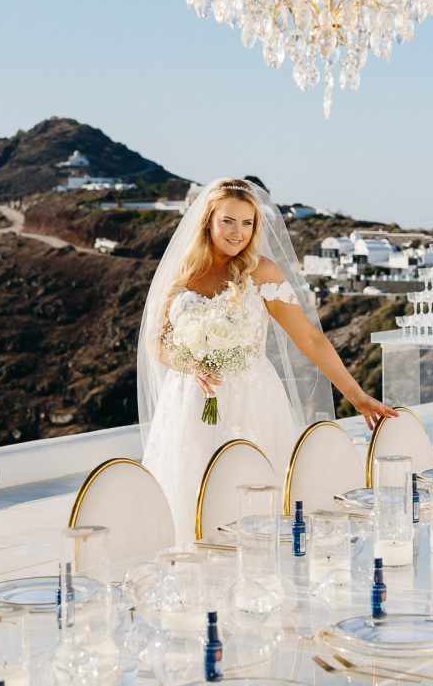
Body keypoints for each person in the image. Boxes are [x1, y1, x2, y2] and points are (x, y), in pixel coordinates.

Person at [138, 178, 396, 542]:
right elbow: (155, 344)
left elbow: (310, 338)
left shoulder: (261, 272)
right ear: (208, 220)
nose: (237, 233)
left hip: (251, 401)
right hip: (189, 402)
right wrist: (190, 366)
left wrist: (357, 395)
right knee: (189, 500)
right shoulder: (182, 272)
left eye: (247, 223)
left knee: (255, 503)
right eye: (228, 221)